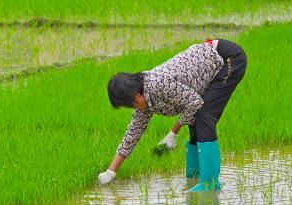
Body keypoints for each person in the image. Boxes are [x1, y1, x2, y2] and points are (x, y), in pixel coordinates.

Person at [98, 39, 247, 191]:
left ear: (136, 94)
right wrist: (111, 171)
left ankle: (210, 183)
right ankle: (194, 177)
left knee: (204, 115)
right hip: (212, 62)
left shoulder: (158, 84)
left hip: (229, 58)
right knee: (195, 119)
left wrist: (173, 132)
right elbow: (133, 134)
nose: (134, 108)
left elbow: (195, 102)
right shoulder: (143, 101)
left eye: (132, 103)